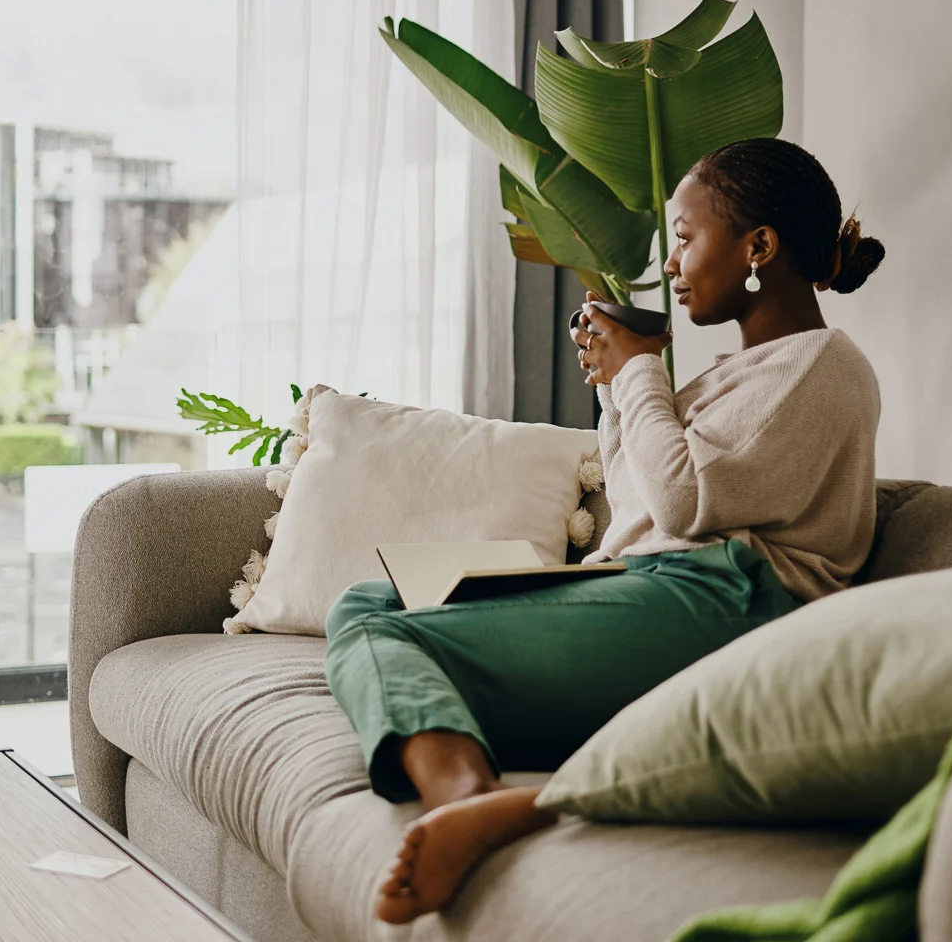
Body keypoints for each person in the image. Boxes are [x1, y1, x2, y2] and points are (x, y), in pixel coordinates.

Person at [321, 137, 887, 924]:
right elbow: (638, 510)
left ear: (758, 246)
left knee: (400, 638)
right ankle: (468, 781)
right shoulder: (735, 373)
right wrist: (619, 393)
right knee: (366, 603)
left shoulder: (822, 366)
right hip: (658, 585)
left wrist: (639, 373)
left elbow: (688, 506)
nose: (675, 263)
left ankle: (465, 799)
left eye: (686, 238)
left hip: (733, 602)